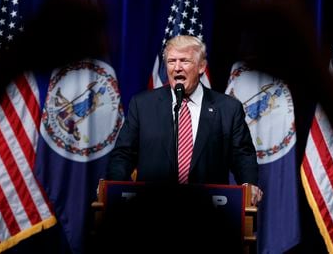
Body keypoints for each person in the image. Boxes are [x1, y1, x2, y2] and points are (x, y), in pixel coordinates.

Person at [106, 35, 263, 204]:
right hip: (152, 209)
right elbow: (123, 154)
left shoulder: (228, 108)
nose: (177, 68)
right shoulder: (143, 105)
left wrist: (249, 185)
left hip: (209, 212)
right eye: (172, 61)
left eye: (184, 61)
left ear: (201, 66)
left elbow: (242, 155)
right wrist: (113, 187)